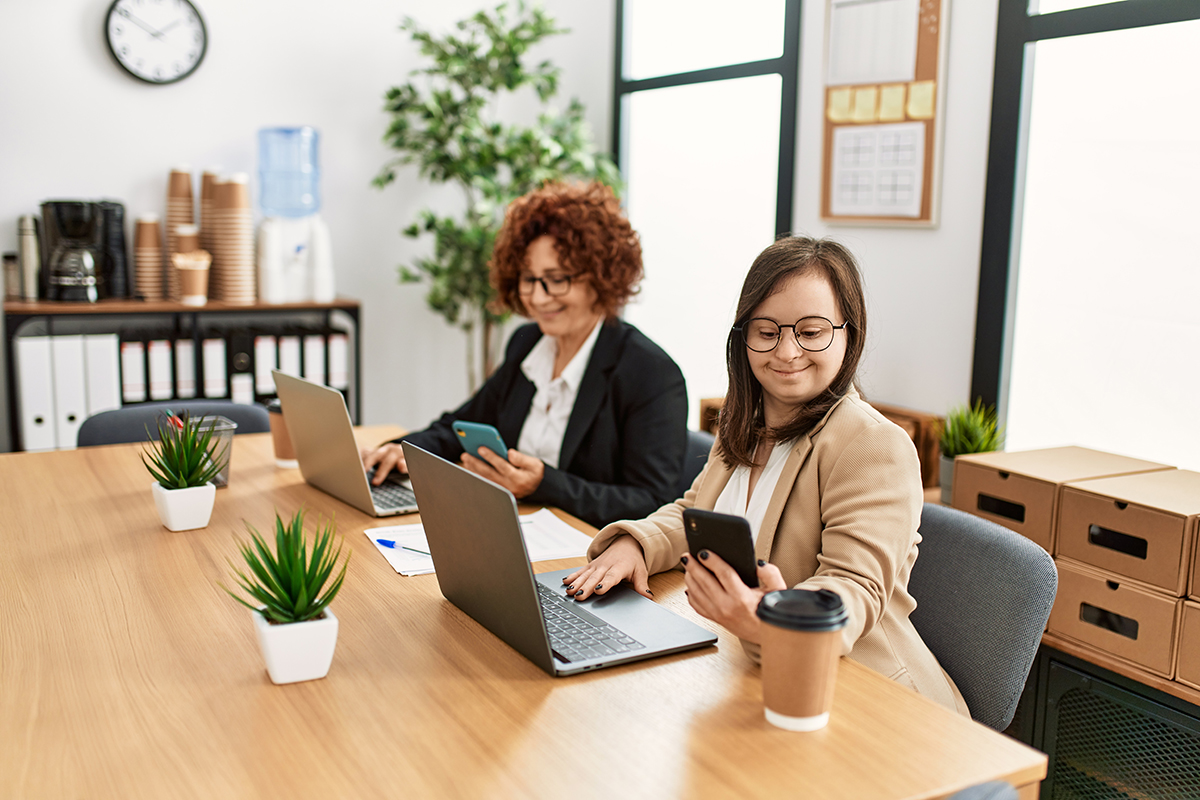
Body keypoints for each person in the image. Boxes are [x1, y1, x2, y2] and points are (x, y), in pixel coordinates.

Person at [564, 235, 969, 716]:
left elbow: (853, 588)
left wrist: (771, 618)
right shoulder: (746, 422)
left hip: (867, 697)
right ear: (744, 337)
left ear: (848, 334)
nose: (787, 351)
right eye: (767, 331)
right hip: (758, 673)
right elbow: (694, 513)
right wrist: (637, 544)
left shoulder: (872, 444)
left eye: (812, 331)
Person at [361, 181, 688, 529]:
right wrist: (405, 449)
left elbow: (654, 503)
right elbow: (462, 424)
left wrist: (544, 485)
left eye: (556, 279)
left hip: (590, 550)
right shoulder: (528, 343)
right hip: (514, 527)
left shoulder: (650, 372)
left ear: (601, 276)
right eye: (528, 279)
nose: (538, 297)